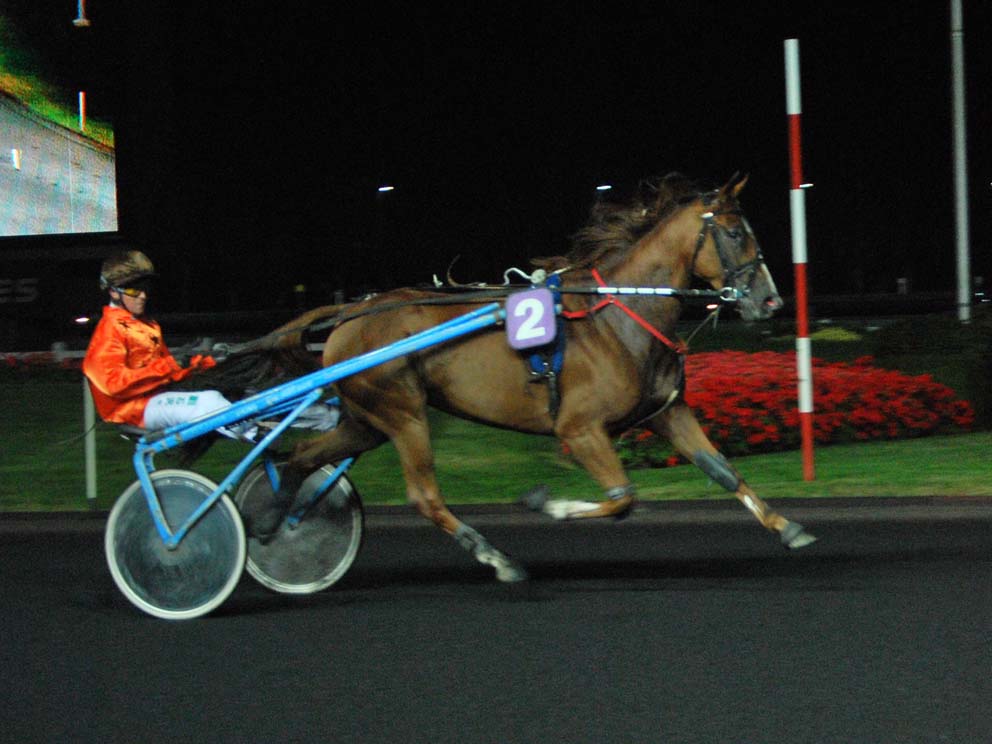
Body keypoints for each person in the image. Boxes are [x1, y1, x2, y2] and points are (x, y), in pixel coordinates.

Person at [82, 250, 243, 434]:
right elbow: (113, 384)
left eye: (145, 288)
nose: (143, 296)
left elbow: (171, 369)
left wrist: (207, 361)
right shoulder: (109, 329)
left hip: (156, 399)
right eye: (134, 289)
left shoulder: (148, 325)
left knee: (235, 392)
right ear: (113, 292)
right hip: (131, 411)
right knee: (208, 401)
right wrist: (170, 365)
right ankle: (258, 434)